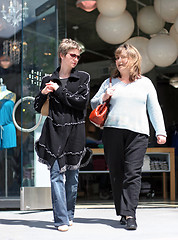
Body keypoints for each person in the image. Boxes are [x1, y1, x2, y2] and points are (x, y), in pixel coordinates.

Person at [90, 43, 166, 230]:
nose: (120, 61)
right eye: (117, 58)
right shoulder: (109, 82)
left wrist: (160, 131)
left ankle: (130, 214)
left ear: (134, 60)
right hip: (112, 132)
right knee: (116, 173)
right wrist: (104, 97)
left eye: (124, 57)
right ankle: (122, 212)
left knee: (133, 173)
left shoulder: (145, 83)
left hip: (138, 133)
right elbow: (93, 103)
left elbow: (154, 108)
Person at [34, 38, 92, 232]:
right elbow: (36, 107)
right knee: (56, 175)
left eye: (78, 56)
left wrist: (59, 91)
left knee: (73, 178)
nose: (75, 59)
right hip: (54, 131)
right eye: (72, 55)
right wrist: (43, 93)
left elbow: (80, 103)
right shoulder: (47, 80)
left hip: (75, 132)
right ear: (62, 55)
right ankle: (60, 219)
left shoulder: (83, 77)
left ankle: (68, 213)